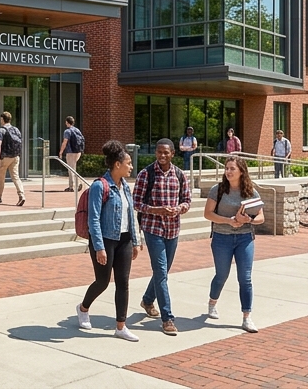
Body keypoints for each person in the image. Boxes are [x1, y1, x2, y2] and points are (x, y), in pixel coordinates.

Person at [76, 140, 143, 342]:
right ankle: (83, 308)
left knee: (123, 283)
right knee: (103, 282)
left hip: (124, 240)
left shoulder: (125, 187)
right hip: (105, 240)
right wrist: (99, 247)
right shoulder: (99, 186)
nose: (131, 167)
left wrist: (136, 240)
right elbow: (93, 219)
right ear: (117, 165)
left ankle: (121, 327)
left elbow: (131, 213)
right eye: (128, 163)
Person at [134, 138, 191, 336]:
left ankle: (148, 300)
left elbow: (187, 200)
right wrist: (156, 210)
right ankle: (167, 318)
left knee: (162, 272)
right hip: (153, 229)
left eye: (166, 152)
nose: (162, 155)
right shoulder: (146, 174)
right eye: (159, 152)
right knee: (160, 271)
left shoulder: (179, 175)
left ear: (173, 153)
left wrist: (179, 208)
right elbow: (136, 203)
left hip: (173, 229)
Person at [205, 156, 264, 333]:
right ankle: (212, 302)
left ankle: (247, 317)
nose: (228, 171)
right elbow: (208, 214)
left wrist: (249, 220)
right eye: (227, 168)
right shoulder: (218, 190)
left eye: (232, 168)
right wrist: (229, 221)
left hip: (245, 238)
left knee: (245, 279)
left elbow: (261, 217)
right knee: (221, 275)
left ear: (241, 171)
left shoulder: (250, 191)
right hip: (222, 238)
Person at [0, 111, 26, 206]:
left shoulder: (1, 130)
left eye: (1, 119)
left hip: (5, 157)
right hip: (15, 156)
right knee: (16, 177)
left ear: (2, 119)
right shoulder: (16, 130)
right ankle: (21, 195)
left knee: (1, 178)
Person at [59, 116, 85, 192]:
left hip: (71, 152)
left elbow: (65, 142)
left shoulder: (67, 131)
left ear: (67, 122)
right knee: (73, 168)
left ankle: (73, 186)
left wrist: (61, 151)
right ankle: (74, 185)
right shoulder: (77, 130)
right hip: (78, 152)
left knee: (71, 170)